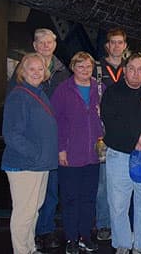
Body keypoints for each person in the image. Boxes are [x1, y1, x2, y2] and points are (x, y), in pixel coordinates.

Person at [100, 53, 141, 254]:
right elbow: (111, 122)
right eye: (132, 69)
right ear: (125, 70)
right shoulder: (112, 93)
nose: (136, 73)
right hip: (120, 156)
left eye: (140, 69)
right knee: (119, 203)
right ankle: (122, 243)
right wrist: (136, 138)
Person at [12, 28, 70, 252]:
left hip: (51, 149)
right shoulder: (21, 82)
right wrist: (33, 151)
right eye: (41, 43)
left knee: (48, 195)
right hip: (30, 154)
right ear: (34, 46)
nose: (46, 46)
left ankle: (43, 232)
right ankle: (28, 242)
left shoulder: (61, 73)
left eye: (49, 42)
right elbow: (14, 125)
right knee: (28, 205)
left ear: (55, 45)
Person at [2, 53, 59, 254]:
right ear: (22, 72)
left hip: (39, 164)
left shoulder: (38, 92)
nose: (36, 73)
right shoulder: (19, 96)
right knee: (24, 213)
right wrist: (36, 154)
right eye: (31, 69)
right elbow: (11, 135)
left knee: (33, 211)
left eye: (40, 69)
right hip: (25, 165)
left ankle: (29, 247)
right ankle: (21, 250)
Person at [51, 52, 103, 253]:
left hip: (93, 154)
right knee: (70, 198)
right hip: (70, 154)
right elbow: (57, 122)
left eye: (88, 67)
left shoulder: (99, 88)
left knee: (89, 198)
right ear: (73, 67)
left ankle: (85, 235)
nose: (84, 70)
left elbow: (108, 117)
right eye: (80, 66)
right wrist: (60, 149)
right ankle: (71, 238)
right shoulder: (63, 90)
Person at [94, 28, 129, 242]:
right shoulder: (97, 68)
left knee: (127, 181)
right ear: (107, 45)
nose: (116, 46)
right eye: (112, 43)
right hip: (104, 133)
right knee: (104, 183)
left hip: (128, 132)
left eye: (120, 42)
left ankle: (124, 224)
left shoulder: (131, 68)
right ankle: (104, 224)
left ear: (125, 45)